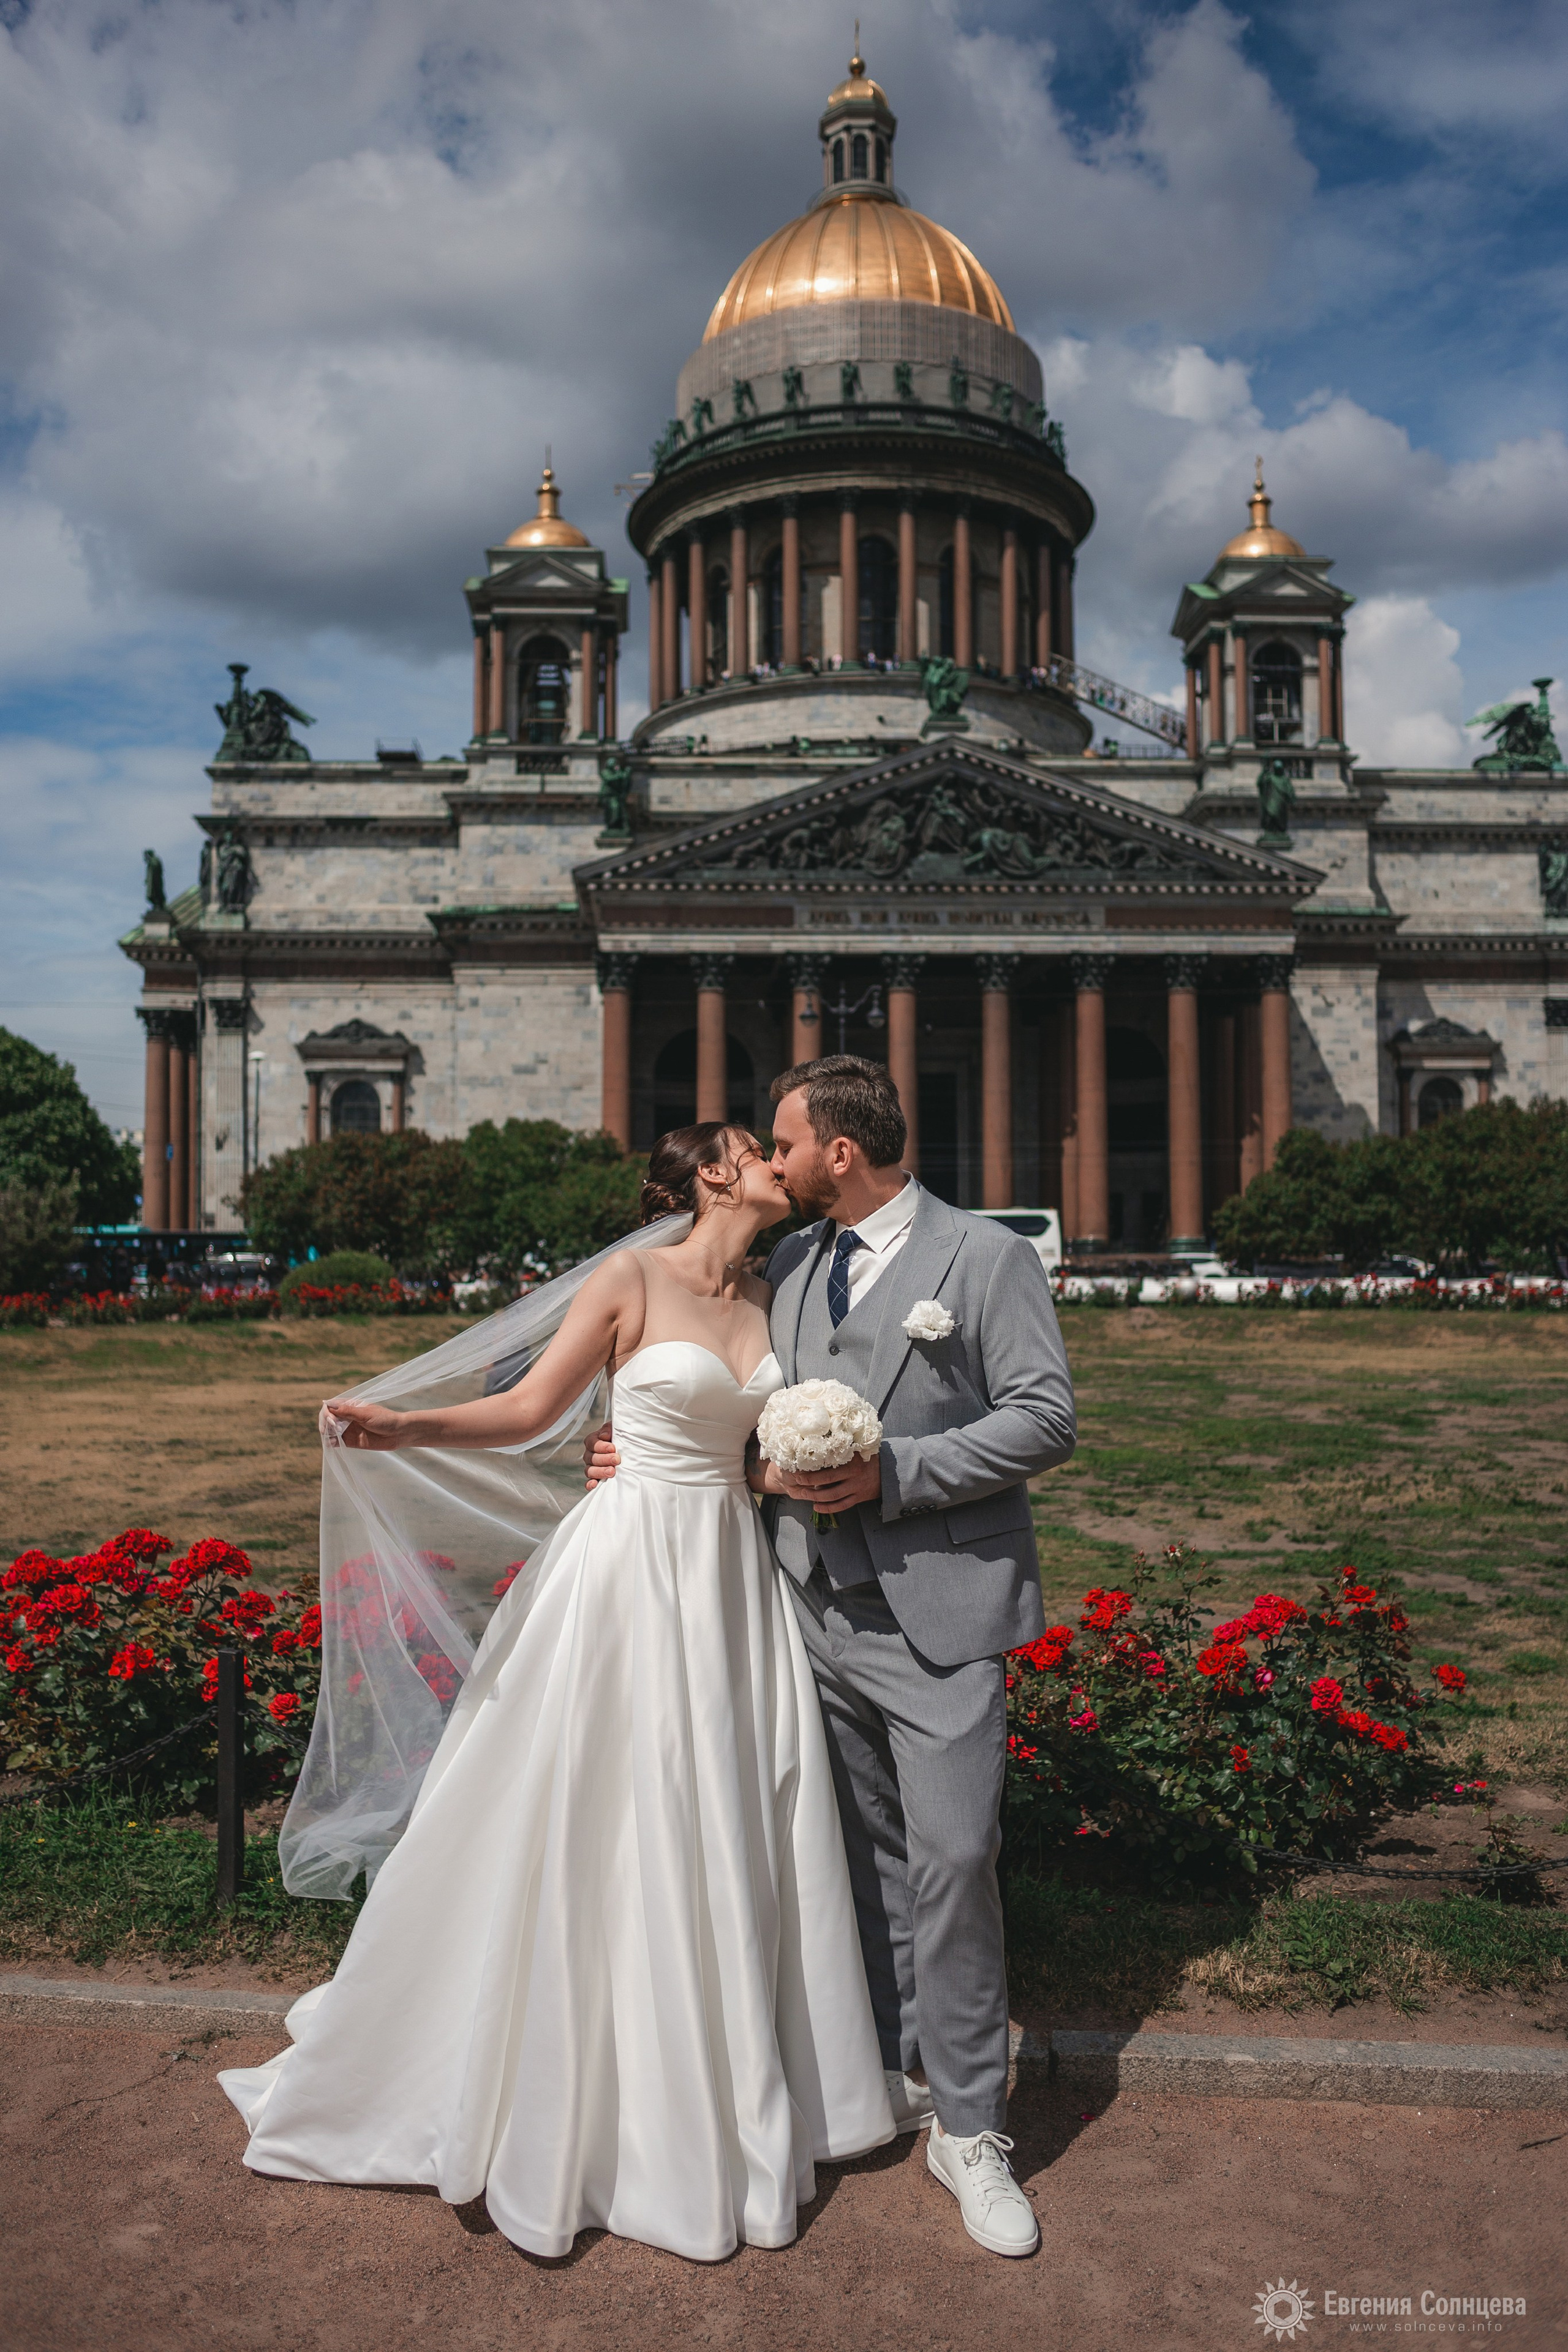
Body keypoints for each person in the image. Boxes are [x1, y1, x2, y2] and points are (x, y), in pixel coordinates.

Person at [218, 1124, 894, 2263]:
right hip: (627, 1573)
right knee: (597, 1809)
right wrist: (402, 1423)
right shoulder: (631, 1277)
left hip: (730, 1584)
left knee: (724, 1815)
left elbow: (755, 1447)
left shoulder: (781, 1294)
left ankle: (724, 2078)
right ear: (714, 1176)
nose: (782, 1158)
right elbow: (534, 1411)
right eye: (755, 1145)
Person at [589, 1055, 1077, 2257]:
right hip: (800, 1613)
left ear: (838, 1154)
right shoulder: (790, 1263)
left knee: (954, 1860)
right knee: (855, 1866)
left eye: (785, 1141)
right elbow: (729, 1402)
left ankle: (970, 2127)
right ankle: (887, 2078)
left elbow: (1041, 1415)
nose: (775, 1156)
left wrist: (897, 1474)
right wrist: (642, 1461)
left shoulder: (985, 1258)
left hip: (940, 1617)